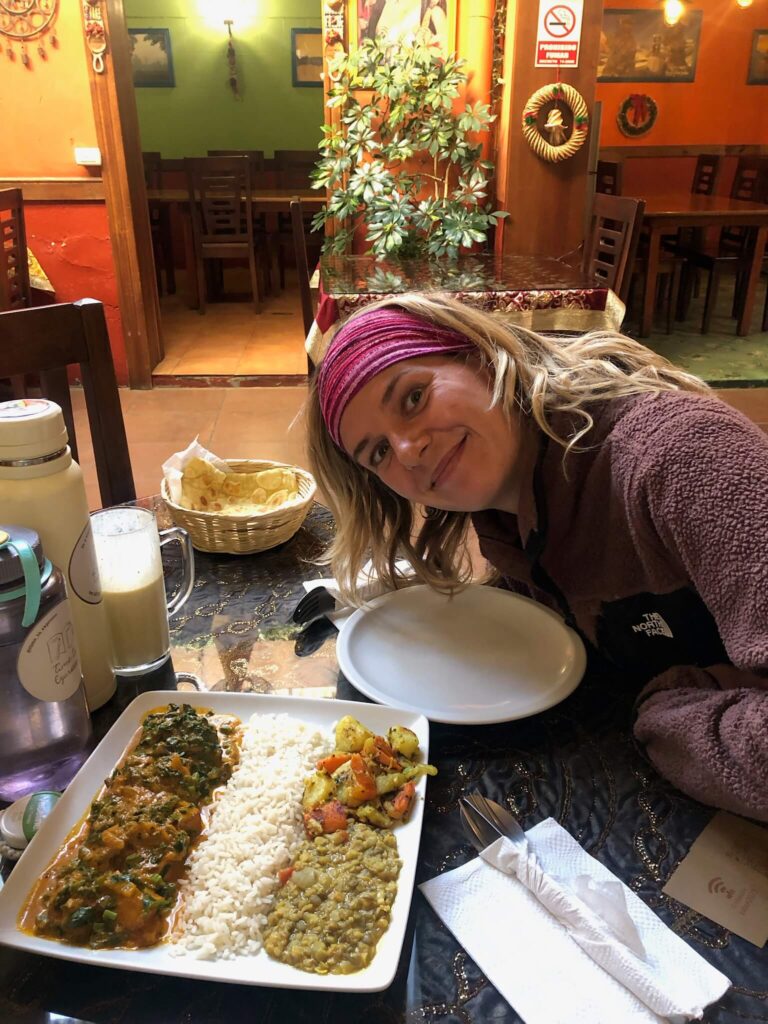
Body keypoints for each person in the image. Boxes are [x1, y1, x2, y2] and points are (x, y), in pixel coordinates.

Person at [306, 292, 768, 822]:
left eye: (413, 397)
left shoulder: (683, 456)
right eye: (379, 452)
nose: (407, 450)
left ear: (480, 354)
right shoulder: (509, 510)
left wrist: (669, 717)